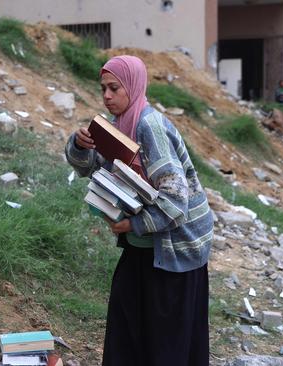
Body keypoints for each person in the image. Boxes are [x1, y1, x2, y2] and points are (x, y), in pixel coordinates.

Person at [65, 55, 214, 366]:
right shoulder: (118, 128)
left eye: (114, 88)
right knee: (127, 331)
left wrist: (134, 225)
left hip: (176, 252)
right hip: (144, 248)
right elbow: (92, 169)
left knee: (165, 344)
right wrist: (80, 146)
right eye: (103, 88)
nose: (106, 96)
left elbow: (176, 202)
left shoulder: (149, 127)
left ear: (132, 87)